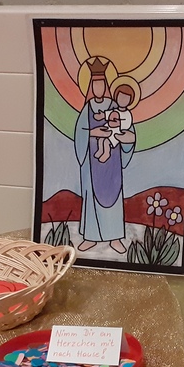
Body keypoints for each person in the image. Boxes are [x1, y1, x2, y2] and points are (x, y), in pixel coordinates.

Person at [73, 61, 136, 254]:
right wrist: (93, 132)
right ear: (90, 87)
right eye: (95, 85)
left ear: (106, 86)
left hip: (112, 164)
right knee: (92, 199)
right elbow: (79, 133)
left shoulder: (115, 107)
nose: (98, 88)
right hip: (92, 164)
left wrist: (126, 139)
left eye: (101, 84)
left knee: (113, 198)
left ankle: (115, 238)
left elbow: (129, 131)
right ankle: (90, 237)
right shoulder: (87, 108)